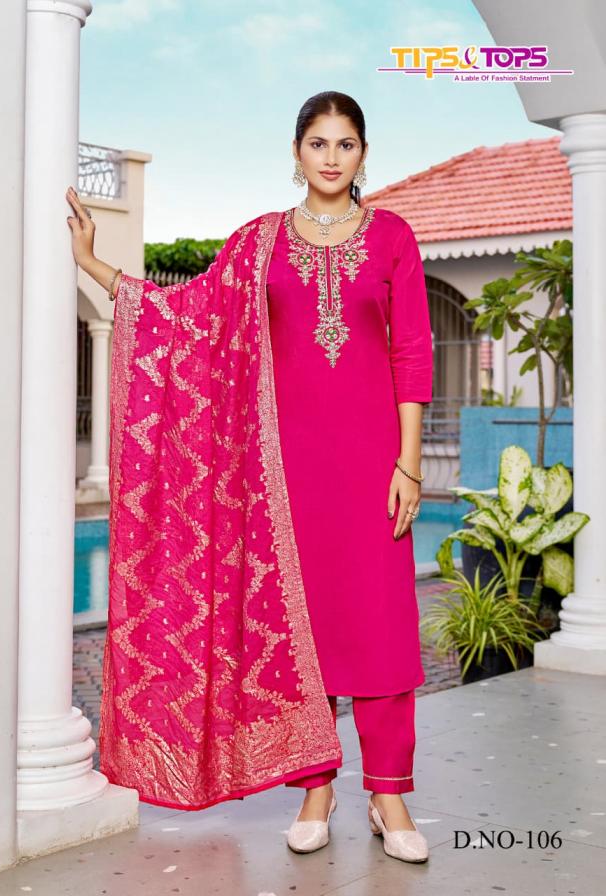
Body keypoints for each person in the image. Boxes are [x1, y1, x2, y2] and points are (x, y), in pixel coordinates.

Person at [66, 91, 432, 864]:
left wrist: (408, 462)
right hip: (281, 468)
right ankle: (317, 789)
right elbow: (188, 317)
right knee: (304, 629)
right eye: (318, 143)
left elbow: (411, 350)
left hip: (373, 463)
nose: (331, 157)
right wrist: (94, 264)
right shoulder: (259, 244)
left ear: (364, 155)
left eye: (345, 144)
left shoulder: (393, 237)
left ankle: (389, 795)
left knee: (381, 624)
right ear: (296, 152)